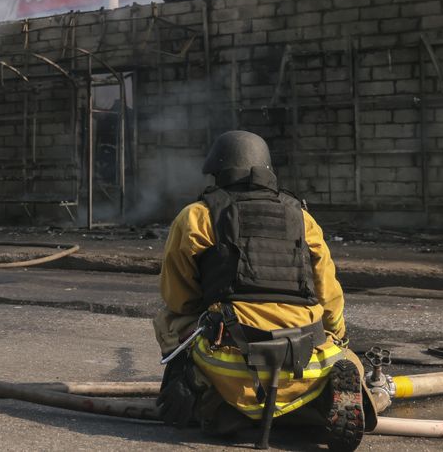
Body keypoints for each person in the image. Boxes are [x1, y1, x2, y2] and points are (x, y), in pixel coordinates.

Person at [153, 130, 372, 451]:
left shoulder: (195, 217)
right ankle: (324, 395)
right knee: (344, 354)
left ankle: (205, 393)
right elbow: (329, 297)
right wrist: (337, 336)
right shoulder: (303, 219)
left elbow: (178, 298)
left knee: (170, 321)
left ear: (218, 173)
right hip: (305, 359)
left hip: (229, 361)